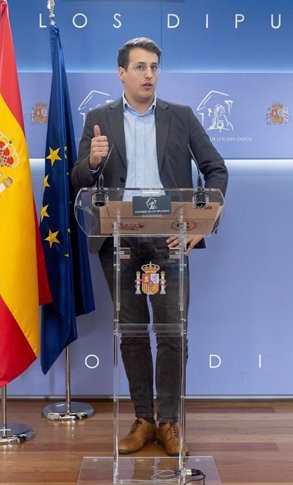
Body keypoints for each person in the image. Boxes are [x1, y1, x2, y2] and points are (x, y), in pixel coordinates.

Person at [71, 37, 228, 457]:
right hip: (119, 239)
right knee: (132, 334)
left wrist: (202, 224)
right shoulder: (98, 119)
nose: (149, 75)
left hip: (169, 239)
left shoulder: (181, 117)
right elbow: (78, 182)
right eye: (140, 67)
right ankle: (142, 419)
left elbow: (216, 170)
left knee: (173, 334)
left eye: (154, 67)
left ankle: (170, 422)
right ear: (121, 73)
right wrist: (91, 162)